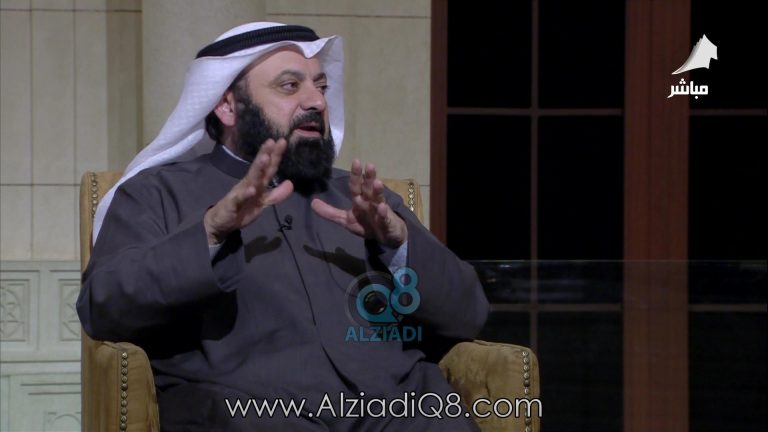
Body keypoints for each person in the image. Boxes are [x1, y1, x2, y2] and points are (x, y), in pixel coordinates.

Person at [77, 22, 488, 431]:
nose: (317, 101)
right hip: (247, 414)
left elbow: (468, 314)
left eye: (321, 86)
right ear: (227, 107)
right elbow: (104, 308)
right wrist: (210, 233)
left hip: (398, 412)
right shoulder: (156, 193)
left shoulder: (365, 201)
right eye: (290, 86)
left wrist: (399, 243)